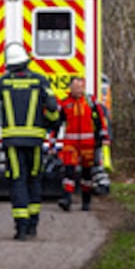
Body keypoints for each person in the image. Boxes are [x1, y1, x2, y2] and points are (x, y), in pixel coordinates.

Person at [0, 43, 60, 240]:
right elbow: (52, 106)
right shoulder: (40, 81)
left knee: (17, 180)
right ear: (26, 61)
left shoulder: (3, 82)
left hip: (12, 142)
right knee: (34, 179)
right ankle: (33, 225)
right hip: (35, 140)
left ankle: (21, 228)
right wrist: (51, 124)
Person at [54, 77, 111, 212]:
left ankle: (86, 201)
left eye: (80, 87)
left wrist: (104, 136)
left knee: (86, 175)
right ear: (70, 88)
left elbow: (101, 120)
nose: (78, 90)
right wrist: (52, 141)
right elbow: (57, 124)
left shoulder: (90, 103)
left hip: (88, 144)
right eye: (75, 87)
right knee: (69, 172)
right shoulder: (65, 104)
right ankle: (66, 199)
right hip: (70, 144)